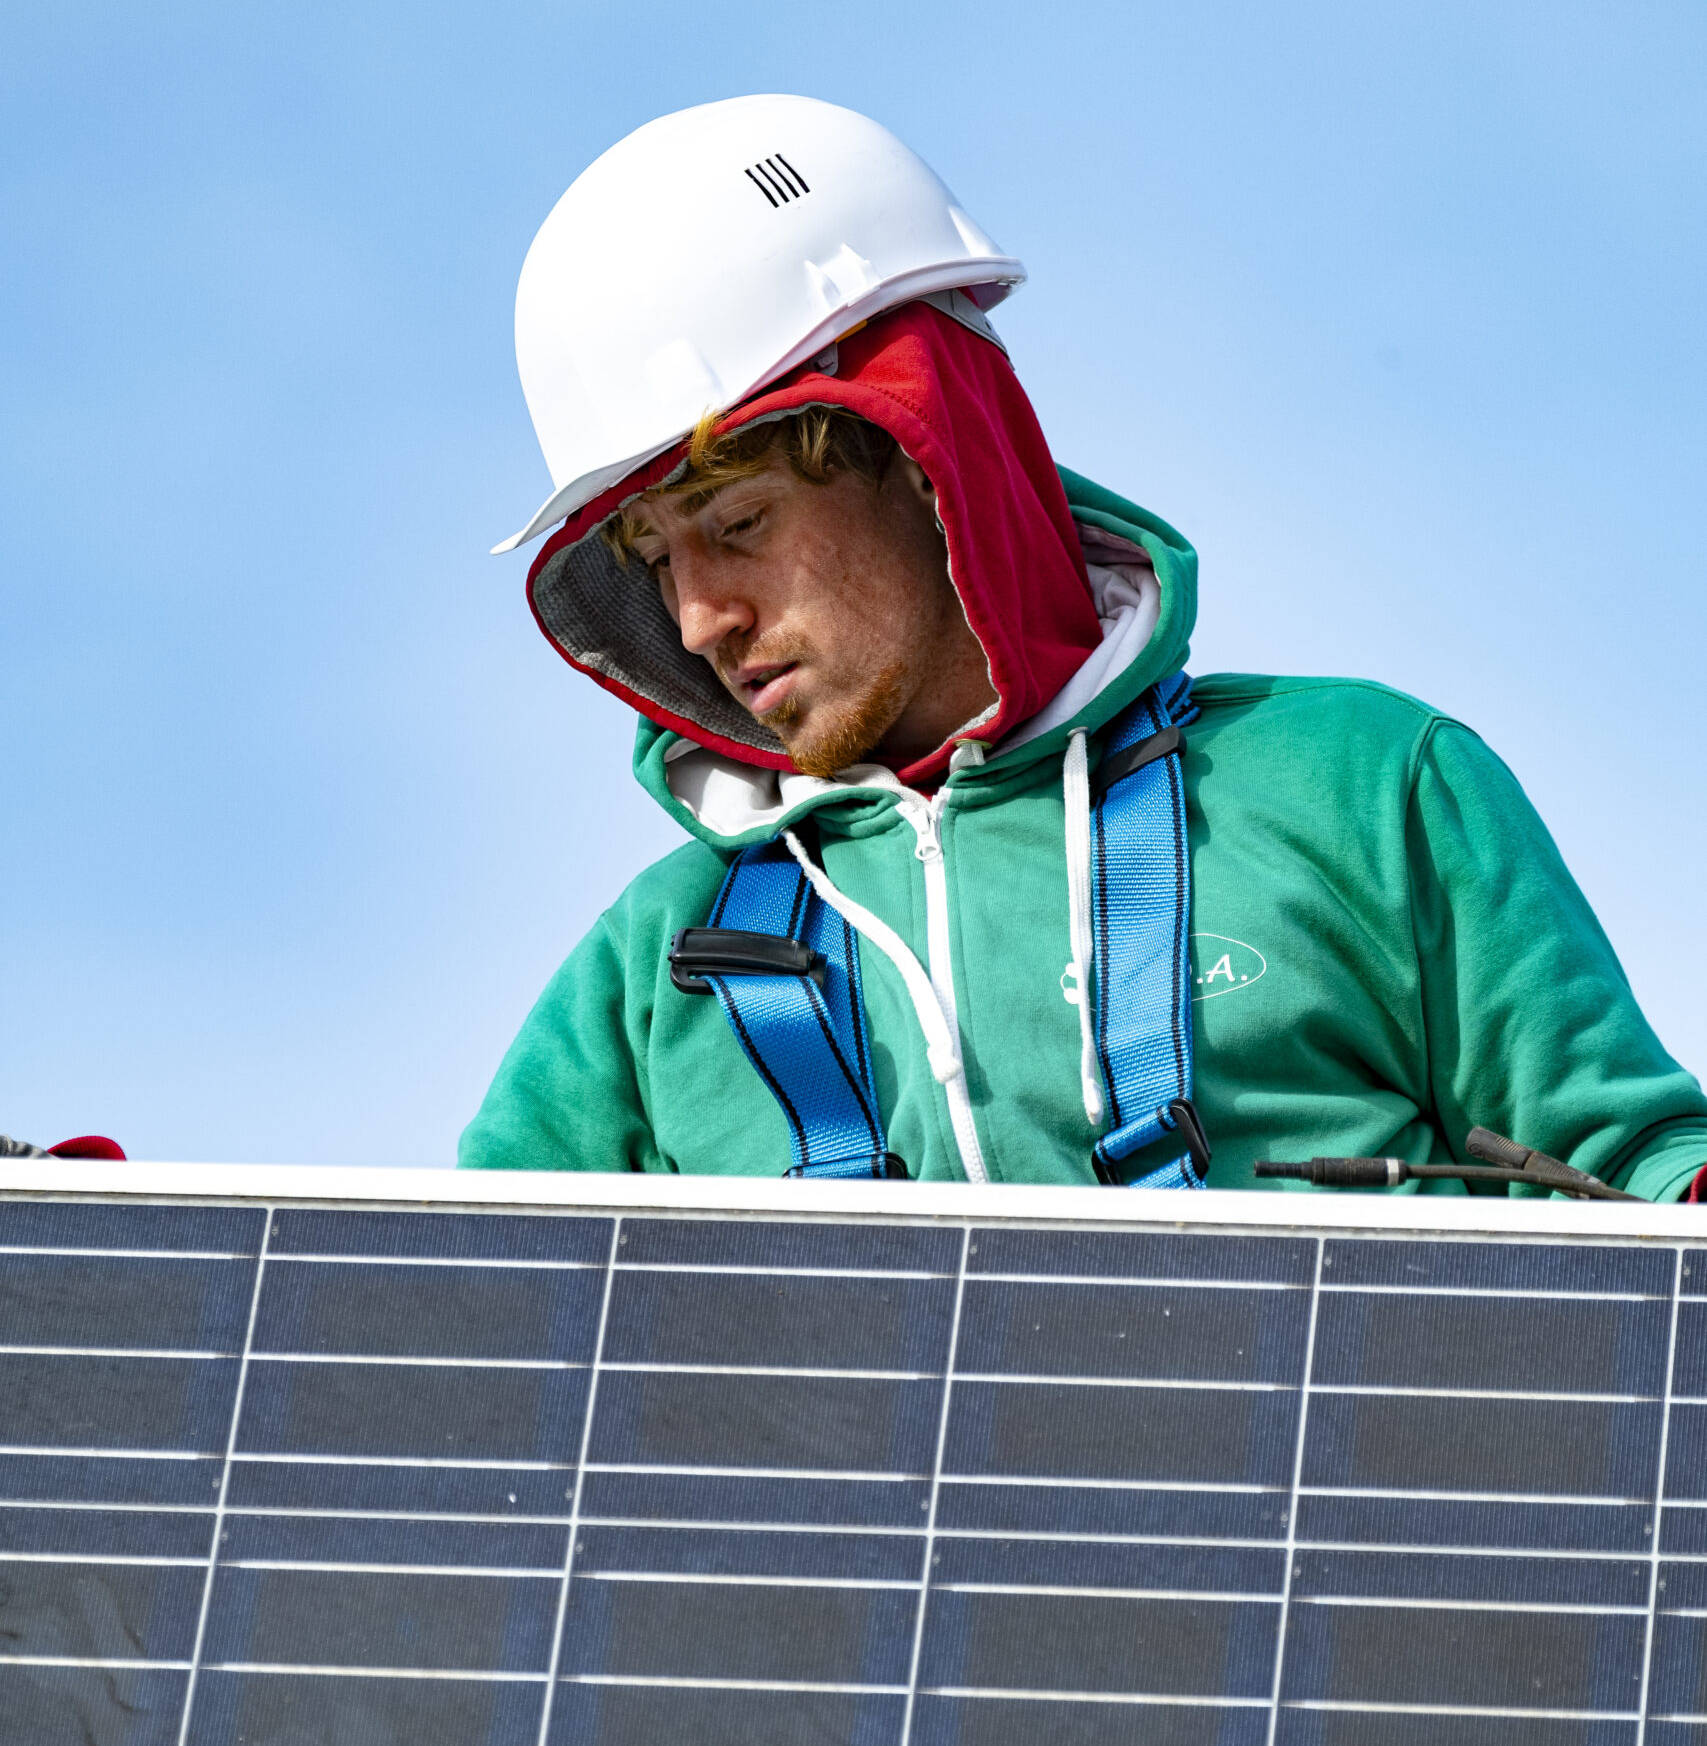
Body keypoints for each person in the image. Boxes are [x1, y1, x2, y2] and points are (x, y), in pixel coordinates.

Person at [460, 95, 1707, 1200]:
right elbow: (447, 1347)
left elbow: (1636, 1180)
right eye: (659, 563)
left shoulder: (1366, 786)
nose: (695, 621)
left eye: (737, 525)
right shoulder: (648, 974)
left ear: (924, 456)